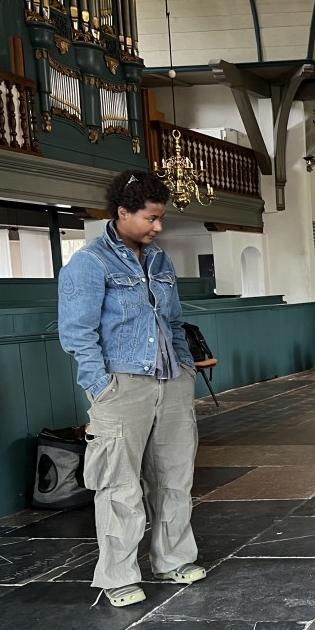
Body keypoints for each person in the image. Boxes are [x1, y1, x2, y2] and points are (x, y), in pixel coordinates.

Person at [58, 171, 204, 607]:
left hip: (171, 382)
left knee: (175, 477)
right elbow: (77, 335)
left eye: (160, 218)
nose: (158, 227)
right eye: (151, 218)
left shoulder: (159, 261)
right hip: (122, 385)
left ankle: (173, 558)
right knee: (119, 485)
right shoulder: (89, 264)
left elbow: (174, 321)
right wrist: (101, 387)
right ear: (123, 213)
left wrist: (184, 369)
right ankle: (118, 575)